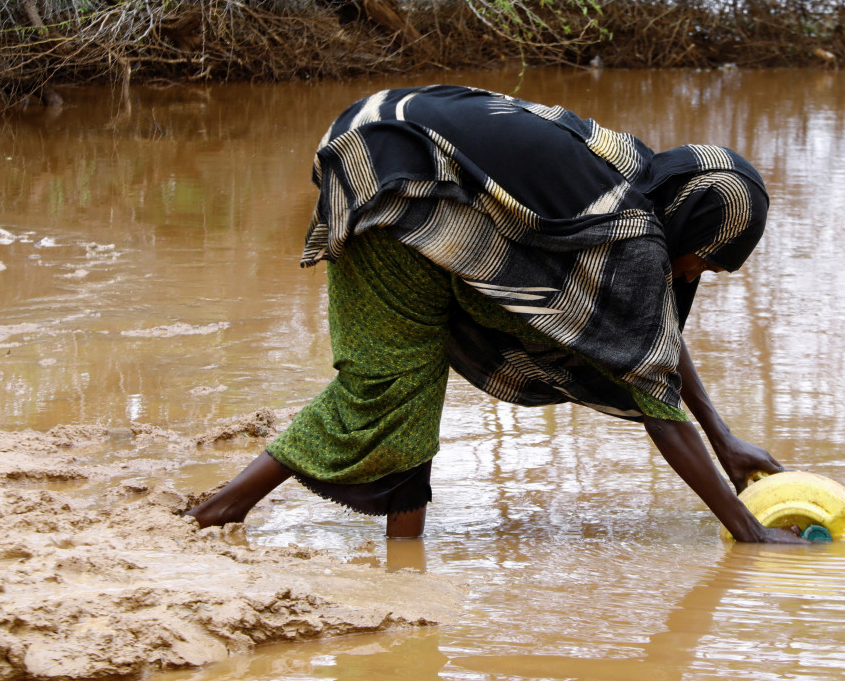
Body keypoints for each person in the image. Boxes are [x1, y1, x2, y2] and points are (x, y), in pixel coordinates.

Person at [185, 84, 805, 545]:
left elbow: (648, 339)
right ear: (691, 219)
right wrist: (746, 532)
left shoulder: (637, 178)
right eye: (705, 258)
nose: (694, 273)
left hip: (380, 146)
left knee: (410, 379)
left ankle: (405, 560)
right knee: (384, 383)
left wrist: (723, 439)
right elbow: (654, 399)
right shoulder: (633, 233)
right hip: (395, 181)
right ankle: (221, 512)